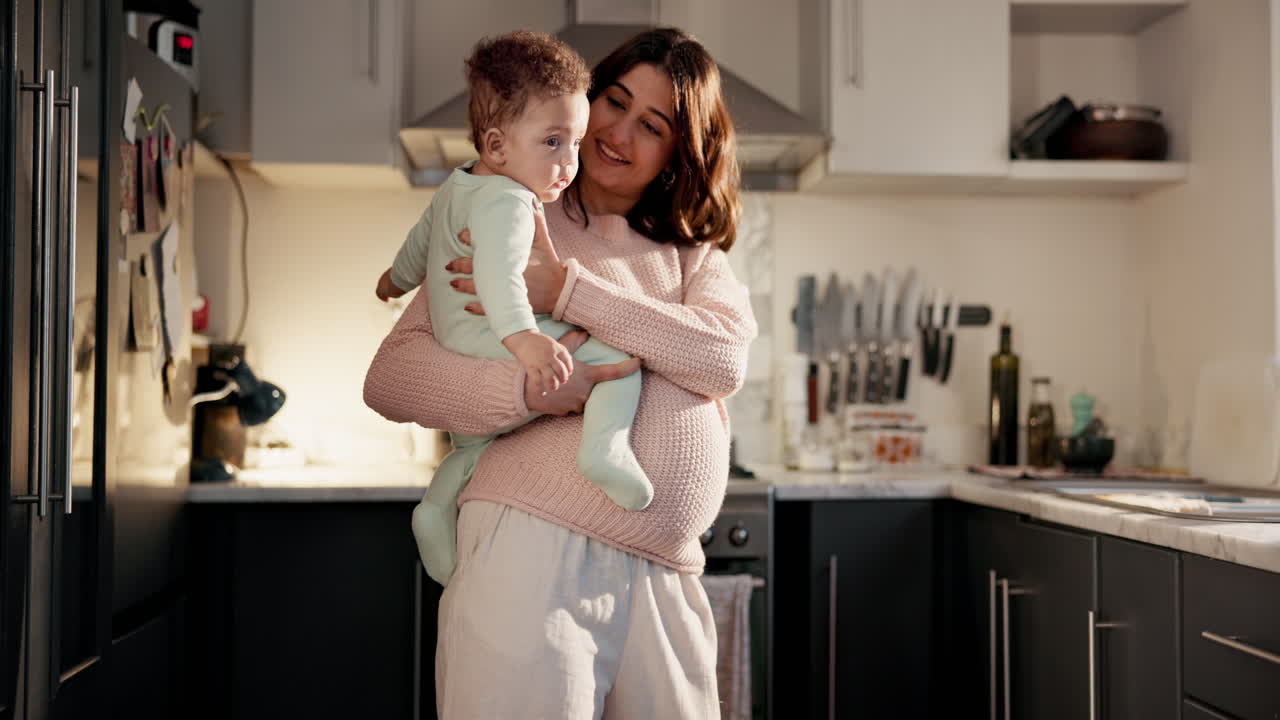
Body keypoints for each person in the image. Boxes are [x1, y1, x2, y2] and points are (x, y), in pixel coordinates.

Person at [365, 27, 756, 719]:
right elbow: (392, 375)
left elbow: (723, 359)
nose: (617, 131)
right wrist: (528, 391)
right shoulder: (507, 211)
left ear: (675, 152)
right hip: (534, 556)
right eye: (614, 100)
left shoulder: (693, 258)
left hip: (667, 580)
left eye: (652, 124)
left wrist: (567, 292)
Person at [374, 31, 652, 587]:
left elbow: (419, 244)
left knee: (474, 444)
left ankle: (436, 506)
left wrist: (394, 279)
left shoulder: (458, 187)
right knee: (617, 357)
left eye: (575, 141)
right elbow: (501, 280)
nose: (569, 162)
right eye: (553, 142)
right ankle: (604, 450)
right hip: (496, 337)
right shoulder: (512, 201)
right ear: (499, 147)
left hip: (464, 337)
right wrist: (525, 340)